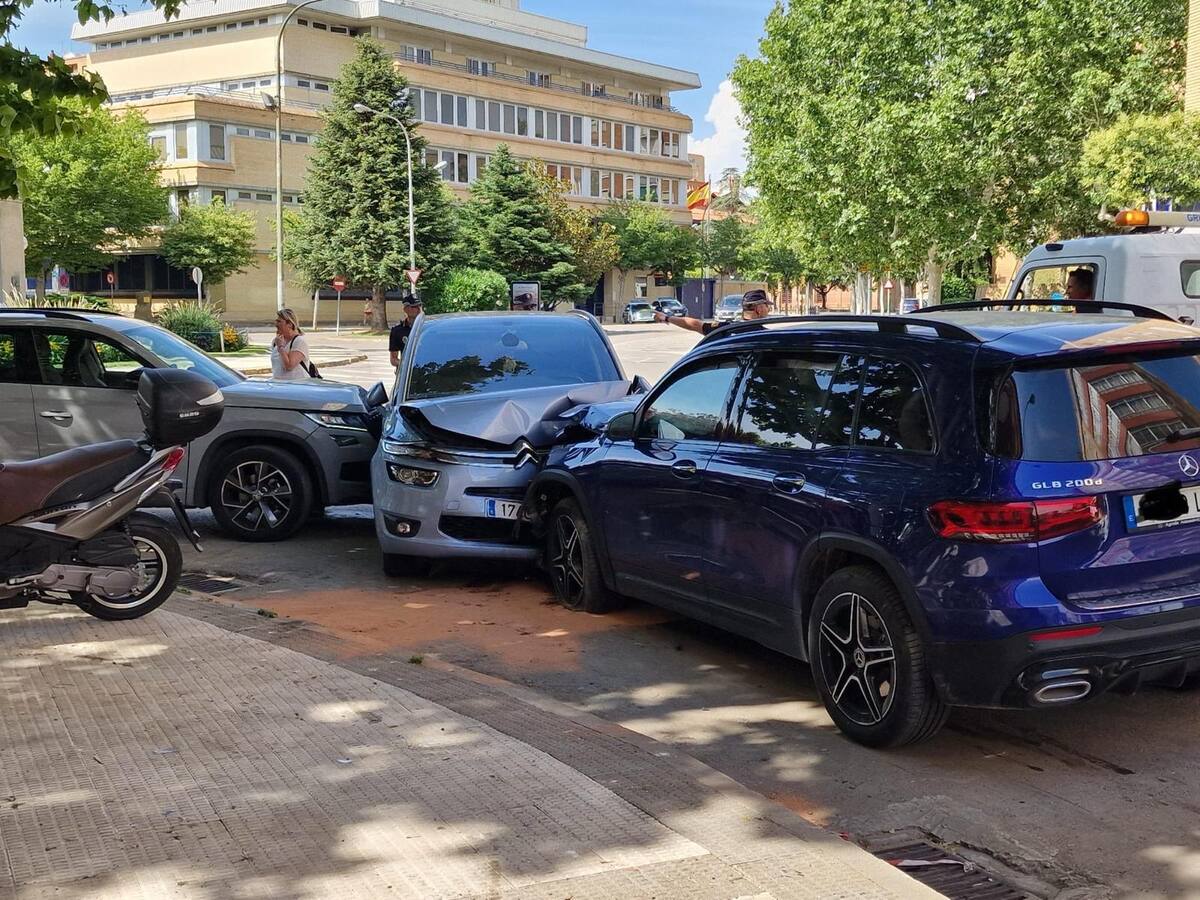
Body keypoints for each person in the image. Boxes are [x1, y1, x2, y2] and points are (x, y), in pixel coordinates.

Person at [654, 288, 773, 336]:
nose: (768, 310)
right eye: (767, 306)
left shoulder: (726, 328)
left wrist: (667, 318)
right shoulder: (765, 336)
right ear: (759, 309)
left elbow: (694, 324)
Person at [270, 308, 312, 381]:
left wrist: (281, 347)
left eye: (279, 321)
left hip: (296, 387)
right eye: (276, 321)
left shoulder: (299, 341)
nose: (276, 324)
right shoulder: (275, 341)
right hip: (279, 386)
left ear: (289, 324)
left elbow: (289, 366)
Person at [389, 297, 422, 368]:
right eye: (414, 306)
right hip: (407, 373)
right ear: (406, 309)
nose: (418, 309)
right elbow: (393, 359)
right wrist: (406, 365)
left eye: (419, 306)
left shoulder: (426, 328)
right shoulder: (397, 331)